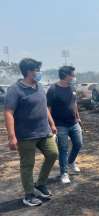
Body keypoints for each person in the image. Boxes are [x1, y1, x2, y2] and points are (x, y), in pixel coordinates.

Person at [4, 58, 58, 207]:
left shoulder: (39, 87)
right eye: (36, 70)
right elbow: (8, 112)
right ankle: (28, 195)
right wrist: (12, 136)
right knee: (27, 164)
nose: (38, 72)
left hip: (44, 131)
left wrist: (52, 123)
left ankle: (40, 184)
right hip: (26, 135)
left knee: (53, 154)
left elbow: (44, 107)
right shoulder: (15, 90)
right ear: (28, 72)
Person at [47, 66, 83, 184]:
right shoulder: (53, 89)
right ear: (65, 75)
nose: (73, 77)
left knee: (78, 144)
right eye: (72, 75)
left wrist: (78, 117)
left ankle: (71, 161)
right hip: (60, 125)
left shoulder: (72, 87)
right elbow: (48, 108)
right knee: (63, 149)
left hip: (73, 123)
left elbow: (74, 102)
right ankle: (64, 173)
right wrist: (51, 124)